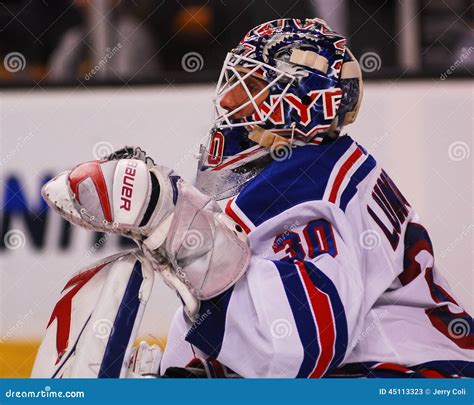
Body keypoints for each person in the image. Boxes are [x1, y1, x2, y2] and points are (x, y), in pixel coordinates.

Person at [35, 18, 473, 379]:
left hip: (417, 381)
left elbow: (295, 352)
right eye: (233, 80)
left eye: (250, 84)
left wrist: (173, 227)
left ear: (301, 104)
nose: (227, 98)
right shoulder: (308, 170)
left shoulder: (314, 184)